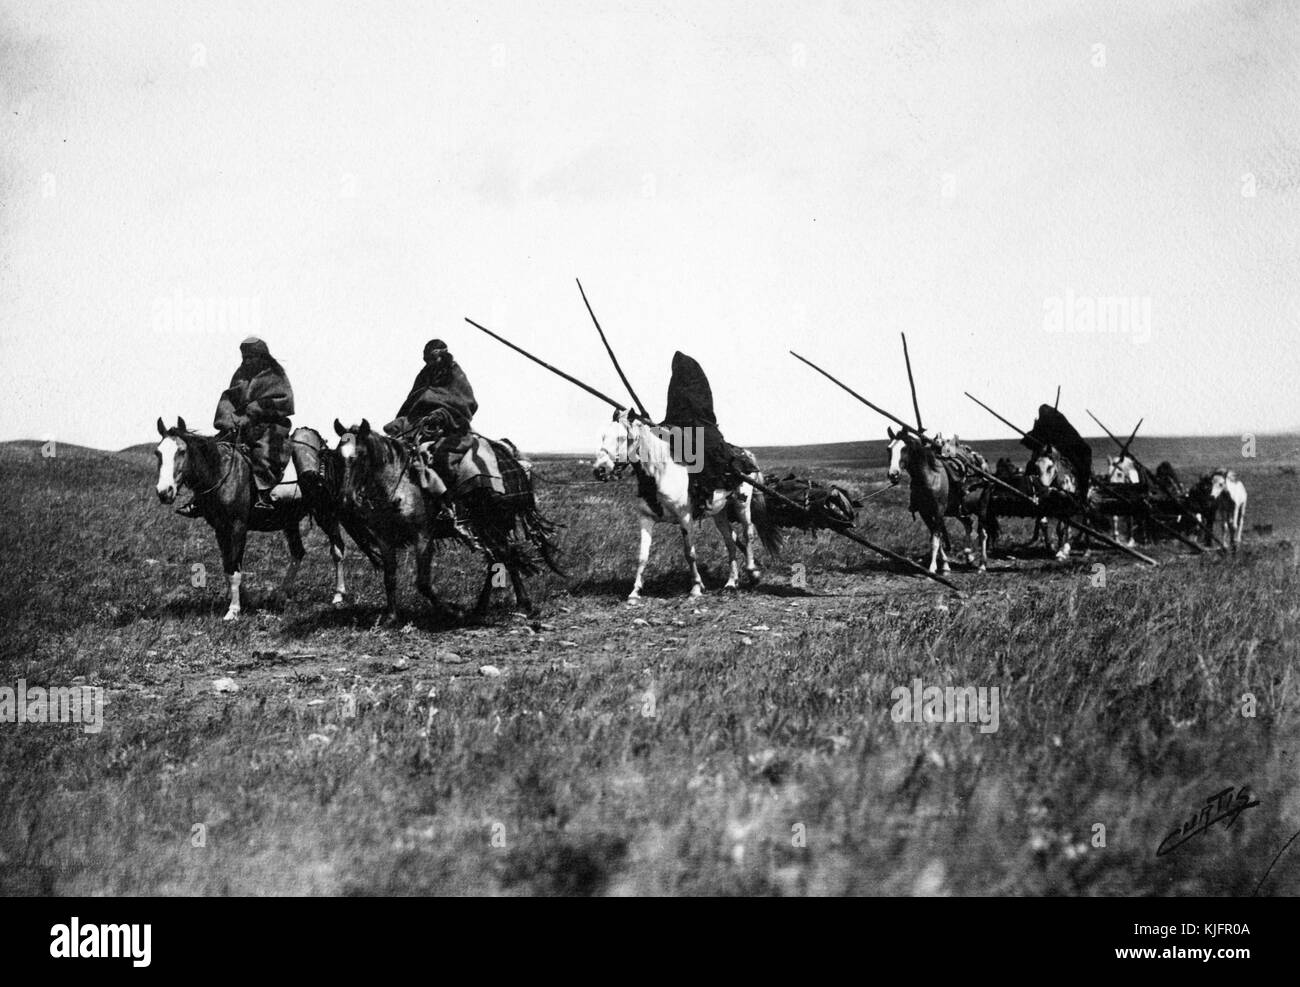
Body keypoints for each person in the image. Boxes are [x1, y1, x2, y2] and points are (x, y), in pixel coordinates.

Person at [179, 336, 294, 516]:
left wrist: (253, 411)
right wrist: (228, 419)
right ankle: (199, 500)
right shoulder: (240, 375)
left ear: (262, 356)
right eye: (244, 357)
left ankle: (263, 495)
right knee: (211, 453)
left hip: (270, 426)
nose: (247, 361)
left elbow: (283, 401)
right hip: (240, 425)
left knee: (262, 453)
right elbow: (229, 398)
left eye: (251, 357)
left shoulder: (275, 376)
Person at [383, 339, 478, 533]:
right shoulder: (425, 374)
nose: (432, 362)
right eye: (428, 359)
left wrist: (442, 414)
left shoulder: (454, 373)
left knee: (442, 457)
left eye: (435, 358)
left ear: (443, 355)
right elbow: (414, 400)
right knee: (396, 447)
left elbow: (466, 402)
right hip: (419, 422)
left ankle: (449, 505)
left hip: (450, 424)